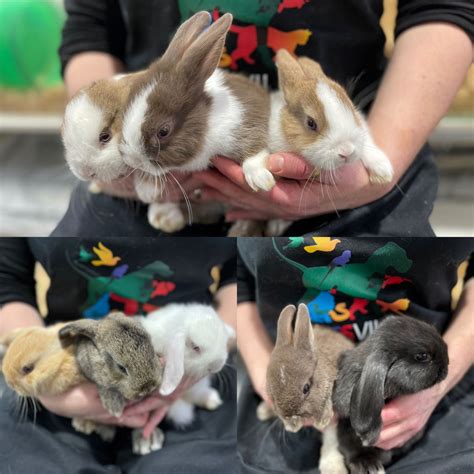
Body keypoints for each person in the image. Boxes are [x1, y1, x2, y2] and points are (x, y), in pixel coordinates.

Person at [53, 0, 473, 237]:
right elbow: (90, 28)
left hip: (353, 161)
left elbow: (445, 9)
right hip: (153, 165)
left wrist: (373, 163)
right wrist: (110, 146)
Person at [0, 237, 237, 474]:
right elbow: (8, 280)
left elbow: (237, 281)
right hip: (59, 397)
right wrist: (51, 394)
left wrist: (189, 370)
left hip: (181, 377)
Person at [237, 237, 474, 472]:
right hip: (279, 367)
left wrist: (437, 389)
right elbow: (237, 279)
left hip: (435, 377)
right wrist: (266, 373)